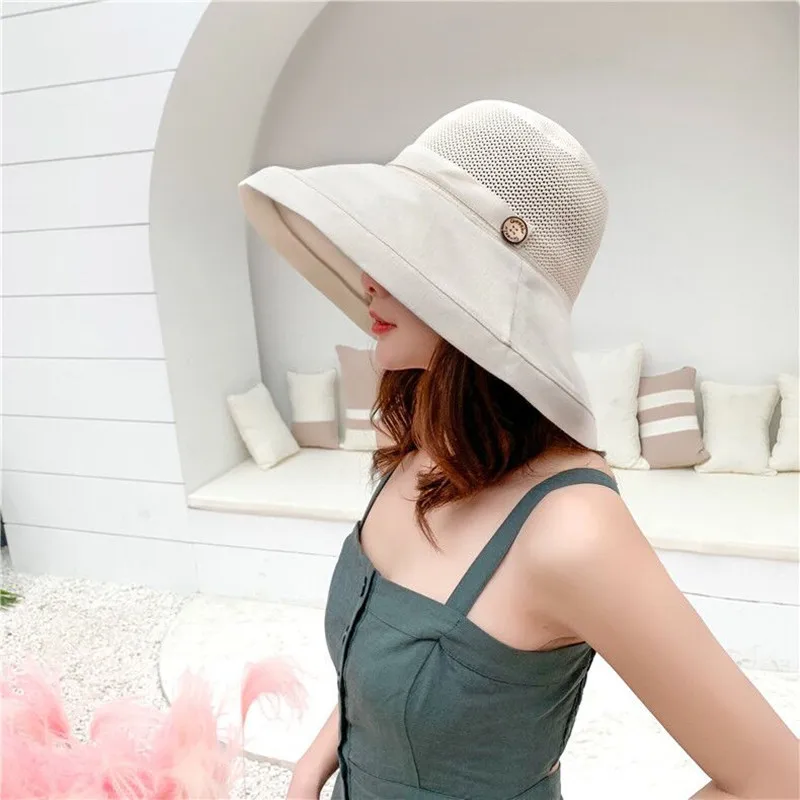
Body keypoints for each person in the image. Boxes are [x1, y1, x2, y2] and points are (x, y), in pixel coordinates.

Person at [239, 101, 799, 800]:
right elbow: (379, 663)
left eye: (407, 252)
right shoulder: (418, 447)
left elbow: (777, 781)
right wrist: (312, 766)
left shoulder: (571, 532)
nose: (367, 280)